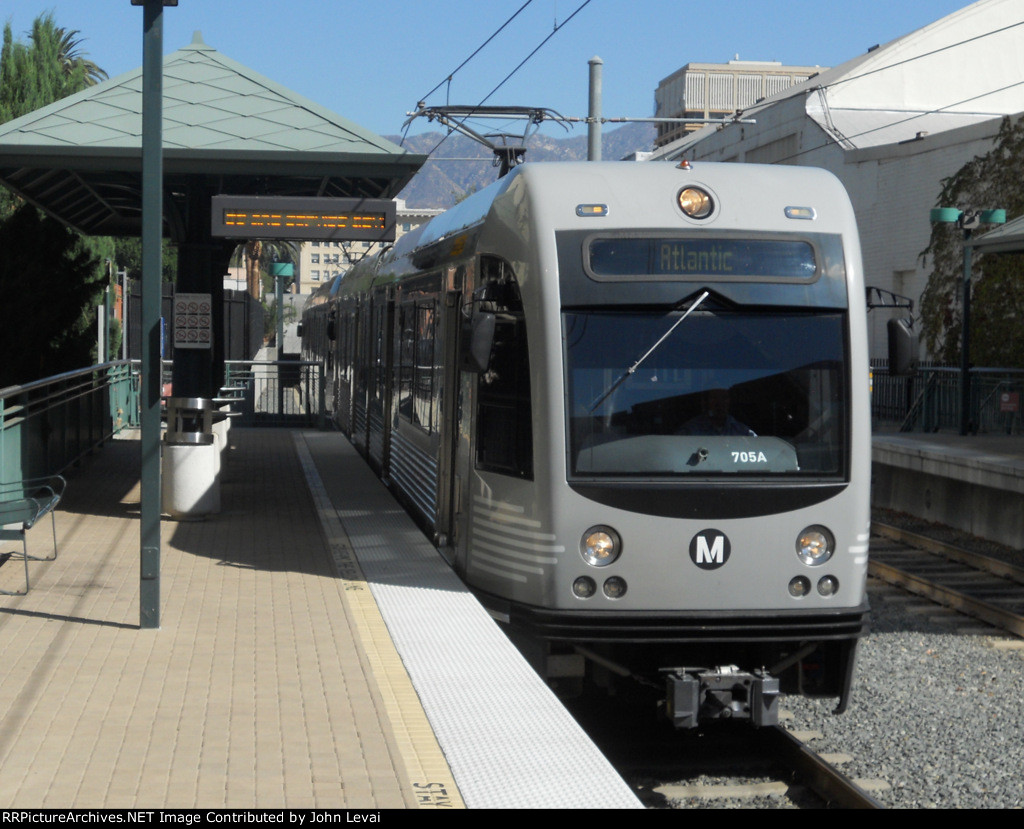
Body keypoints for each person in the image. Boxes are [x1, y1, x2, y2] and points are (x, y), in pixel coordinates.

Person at [680, 388, 756, 436]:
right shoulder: (691, 431)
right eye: (714, 397)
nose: (720, 403)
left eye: (724, 397)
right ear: (706, 402)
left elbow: (758, 449)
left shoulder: (742, 432)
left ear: (730, 401)